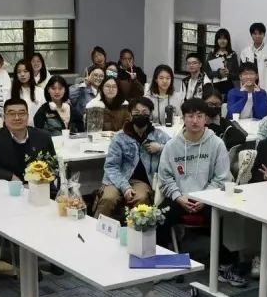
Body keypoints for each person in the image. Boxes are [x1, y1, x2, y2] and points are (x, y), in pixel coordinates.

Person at [157, 99, 232, 262]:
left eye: (199, 116)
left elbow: (222, 177)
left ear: (206, 118)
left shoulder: (217, 144)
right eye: (190, 116)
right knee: (159, 216)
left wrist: (205, 198)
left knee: (222, 216)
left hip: (209, 199)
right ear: (183, 118)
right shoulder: (171, 146)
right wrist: (178, 196)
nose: (195, 121)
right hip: (180, 198)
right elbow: (165, 177)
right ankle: (164, 260)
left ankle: (222, 263)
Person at [97, 96, 169, 220]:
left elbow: (175, 150)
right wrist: (125, 187)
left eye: (145, 112)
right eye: (136, 112)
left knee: (141, 198)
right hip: (117, 178)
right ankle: (95, 229)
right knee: (108, 198)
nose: (141, 115)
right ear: (130, 114)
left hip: (142, 182)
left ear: (150, 114)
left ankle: (137, 230)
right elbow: (111, 167)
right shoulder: (120, 137)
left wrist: (160, 148)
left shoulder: (159, 135)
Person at [0, 97, 57, 181]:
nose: (17, 118)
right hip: (9, 187)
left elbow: (53, 166)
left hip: (39, 185)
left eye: (22, 113)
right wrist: (10, 176)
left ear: (28, 116)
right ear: (4, 118)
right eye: (11, 114)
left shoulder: (43, 137)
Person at [239, 22, 267, 92]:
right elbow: (242, 73)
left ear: (264, 35)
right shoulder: (244, 53)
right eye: (255, 34)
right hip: (248, 88)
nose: (257, 36)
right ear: (251, 35)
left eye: (260, 33)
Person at [206, 28, 239, 97]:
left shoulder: (233, 54)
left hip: (229, 87)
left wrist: (228, 73)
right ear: (216, 40)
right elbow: (207, 73)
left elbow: (237, 75)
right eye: (220, 38)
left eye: (224, 38)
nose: (222, 41)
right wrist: (218, 73)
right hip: (214, 87)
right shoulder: (212, 54)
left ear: (228, 40)